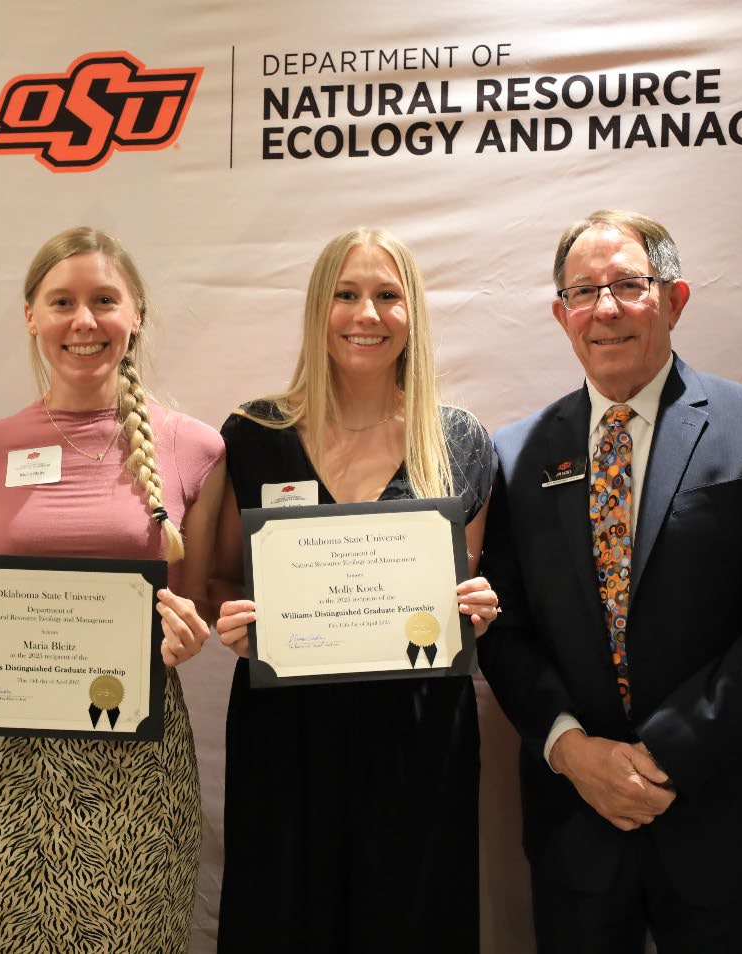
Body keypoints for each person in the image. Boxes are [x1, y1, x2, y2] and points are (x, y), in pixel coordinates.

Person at [477, 210, 742, 953]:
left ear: (674, 299)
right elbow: (503, 627)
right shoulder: (513, 455)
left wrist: (662, 756)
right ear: (560, 315)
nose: (605, 309)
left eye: (627, 285)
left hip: (728, 814)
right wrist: (571, 750)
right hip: (578, 821)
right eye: (583, 291)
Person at [0, 227, 226, 953]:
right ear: (31, 316)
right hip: (1, 767)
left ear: (136, 313)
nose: (85, 322)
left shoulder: (197, 448)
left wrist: (188, 633)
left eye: (104, 300)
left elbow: (194, 599)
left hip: (136, 760)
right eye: (62, 302)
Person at [211, 226, 499, 953]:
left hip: (418, 730)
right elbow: (217, 578)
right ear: (318, 307)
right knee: (282, 916)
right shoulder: (252, 434)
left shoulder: (459, 440)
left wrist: (479, 611)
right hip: (287, 731)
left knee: (411, 917)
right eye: (346, 294)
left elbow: (468, 580)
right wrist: (233, 619)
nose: (365, 314)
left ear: (412, 313)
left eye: (385, 295)